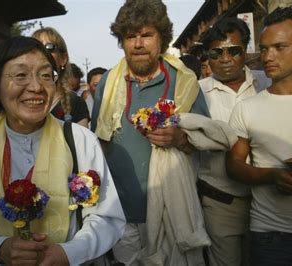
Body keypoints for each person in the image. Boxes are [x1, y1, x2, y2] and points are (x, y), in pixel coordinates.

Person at [0, 36, 125, 265]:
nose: (36, 87)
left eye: (44, 75)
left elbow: (106, 216)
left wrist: (69, 253)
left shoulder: (80, 141)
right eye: (20, 75)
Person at [91, 0, 211, 264]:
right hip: (121, 212)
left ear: (163, 39)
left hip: (172, 207)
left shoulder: (184, 81)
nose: (138, 44)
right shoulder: (108, 85)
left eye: (146, 35)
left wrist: (180, 138)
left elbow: (205, 142)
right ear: (121, 41)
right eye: (130, 36)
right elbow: (96, 145)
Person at [226, 7, 292, 266]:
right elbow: (233, 166)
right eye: (264, 48)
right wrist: (272, 175)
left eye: (280, 47)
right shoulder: (247, 108)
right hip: (273, 237)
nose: (268, 56)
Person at [197, 17, 271, 266]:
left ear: (246, 49)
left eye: (234, 51)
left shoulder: (269, 84)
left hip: (272, 201)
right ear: (207, 56)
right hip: (220, 203)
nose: (225, 59)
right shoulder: (195, 93)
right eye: (216, 52)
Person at [32, 27, 90, 128]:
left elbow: (80, 143)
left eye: (49, 47)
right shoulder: (20, 99)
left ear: (63, 58)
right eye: (35, 48)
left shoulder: (76, 103)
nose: (41, 53)